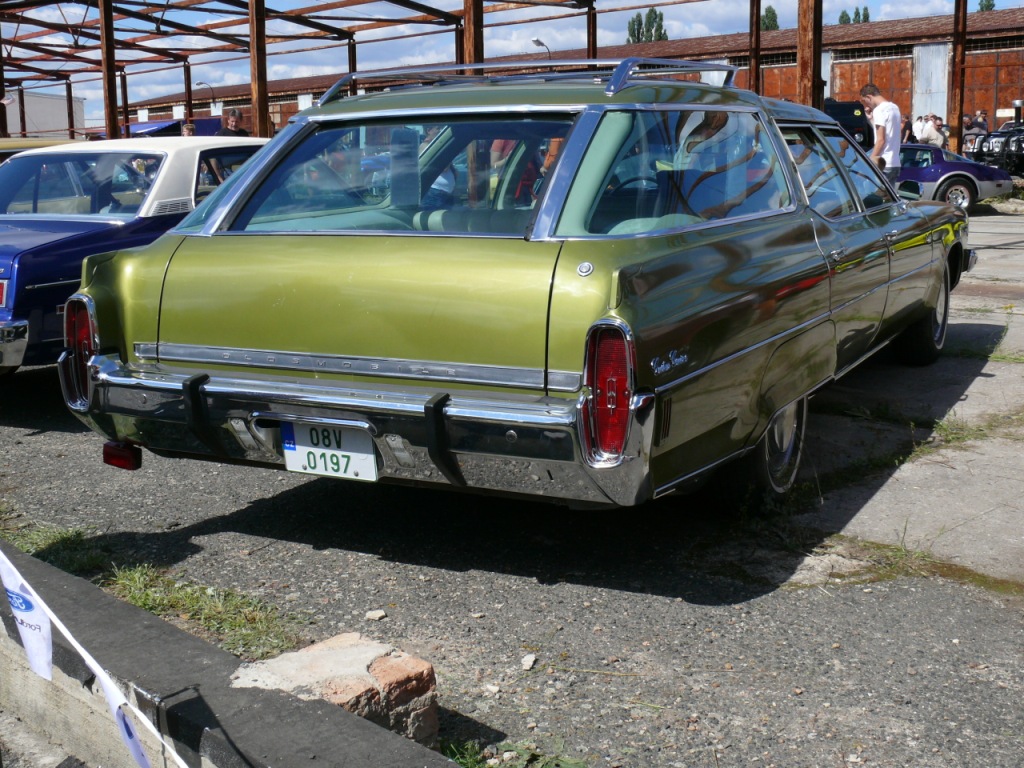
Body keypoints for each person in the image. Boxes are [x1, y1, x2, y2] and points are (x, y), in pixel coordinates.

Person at [859, 83, 901, 183]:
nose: (866, 105)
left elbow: (881, 140)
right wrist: (871, 119)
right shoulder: (895, 108)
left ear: (869, 97)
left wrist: (869, 161)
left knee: (871, 192)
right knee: (889, 193)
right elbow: (891, 132)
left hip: (883, 163)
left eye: (865, 101)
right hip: (895, 163)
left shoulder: (879, 110)